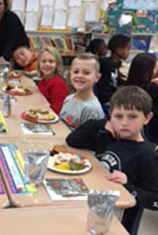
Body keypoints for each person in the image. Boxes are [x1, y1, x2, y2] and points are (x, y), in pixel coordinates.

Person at [66, 86, 158, 235]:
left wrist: (128, 186)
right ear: (110, 115)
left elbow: (155, 200)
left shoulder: (147, 155)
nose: (124, 123)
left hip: (116, 220)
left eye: (132, 117)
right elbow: (73, 140)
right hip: (91, 205)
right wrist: (100, 123)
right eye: (118, 116)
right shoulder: (109, 138)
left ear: (147, 118)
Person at [60, 53, 104, 130]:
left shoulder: (92, 109)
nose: (79, 76)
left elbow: (88, 140)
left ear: (97, 77)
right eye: (76, 72)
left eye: (86, 73)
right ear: (70, 74)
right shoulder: (68, 99)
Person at [126, 53, 158, 143]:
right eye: (155, 68)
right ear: (147, 72)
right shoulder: (152, 89)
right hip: (152, 133)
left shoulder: (130, 86)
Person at [95, 34, 131, 105]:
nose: (129, 52)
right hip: (105, 97)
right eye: (128, 49)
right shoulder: (104, 62)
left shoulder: (118, 63)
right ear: (119, 50)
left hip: (113, 94)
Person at [36, 47, 69, 114]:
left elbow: (56, 111)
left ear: (57, 64)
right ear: (39, 64)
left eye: (51, 61)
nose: (47, 64)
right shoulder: (42, 82)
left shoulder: (58, 84)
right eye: (43, 61)